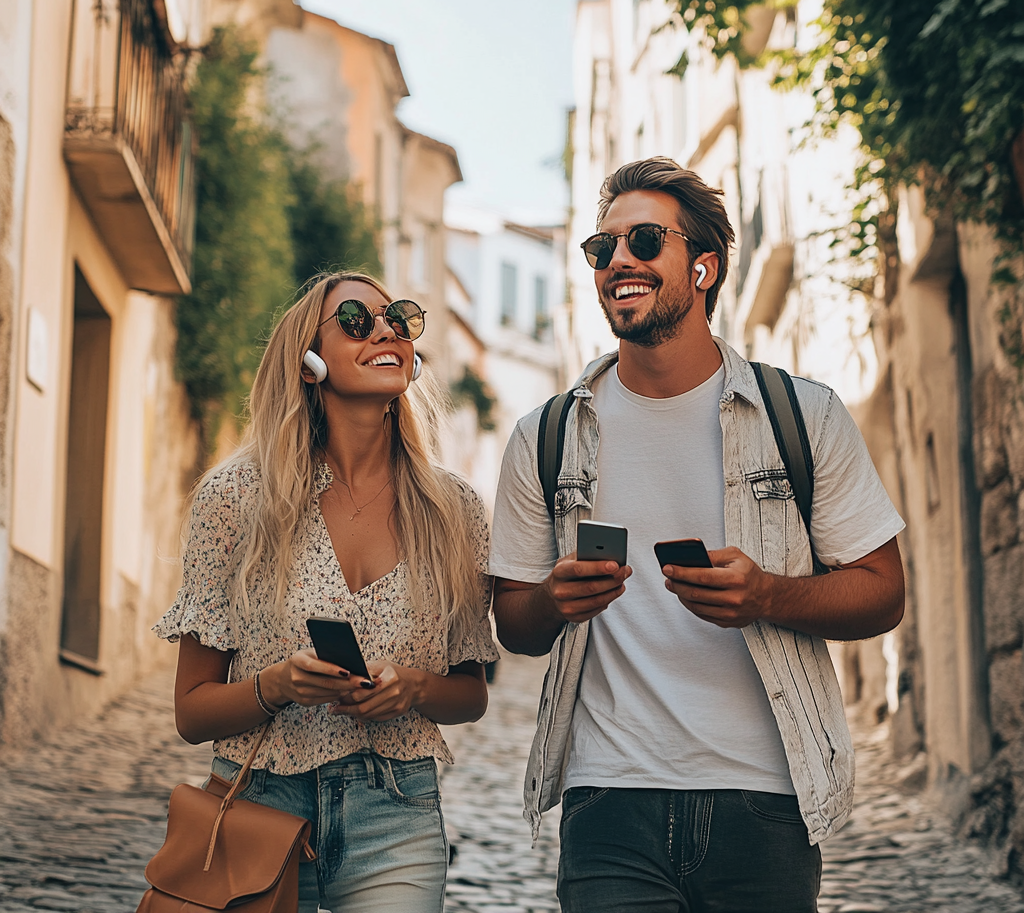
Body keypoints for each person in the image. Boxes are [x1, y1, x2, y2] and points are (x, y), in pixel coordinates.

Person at [490, 157, 906, 913]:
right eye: (602, 248)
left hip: (767, 800)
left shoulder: (802, 417)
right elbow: (514, 626)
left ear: (704, 267)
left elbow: (883, 594)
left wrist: (768, 594)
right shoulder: (545, 436)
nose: (618, 260)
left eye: (645, 241)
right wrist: (554, 600)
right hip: (607, 801)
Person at [155, 271, 498, 913]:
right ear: (308, 361)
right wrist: (277, 686)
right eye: (356, 320)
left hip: (395, 816)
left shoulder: (455, 510)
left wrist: (415, 689)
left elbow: (471, 692)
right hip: (258, 805)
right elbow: (191, 712)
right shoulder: (235, 499)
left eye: (397, 318)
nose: (386, 330)